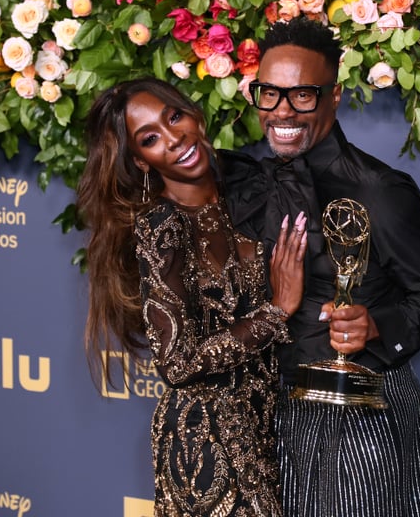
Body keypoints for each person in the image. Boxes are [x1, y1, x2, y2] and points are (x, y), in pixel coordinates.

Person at [223, 17, 420, 516]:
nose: (282, 111)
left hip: (358, 415)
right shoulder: (242, 181)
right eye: (270, 94)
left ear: (334, 97)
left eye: (302, 96)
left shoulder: (379, 190)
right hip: (267, 412)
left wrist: (376, 324)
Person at [76, 77, 308, 516]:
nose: (173, 137)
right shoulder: (161, 227)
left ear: (194, 114)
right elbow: (176, 364)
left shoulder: (244, 193)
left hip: (269, 425)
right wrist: (277, 311)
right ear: (141, 161)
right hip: (205, 440)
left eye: (174, 117)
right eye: (150, 138)